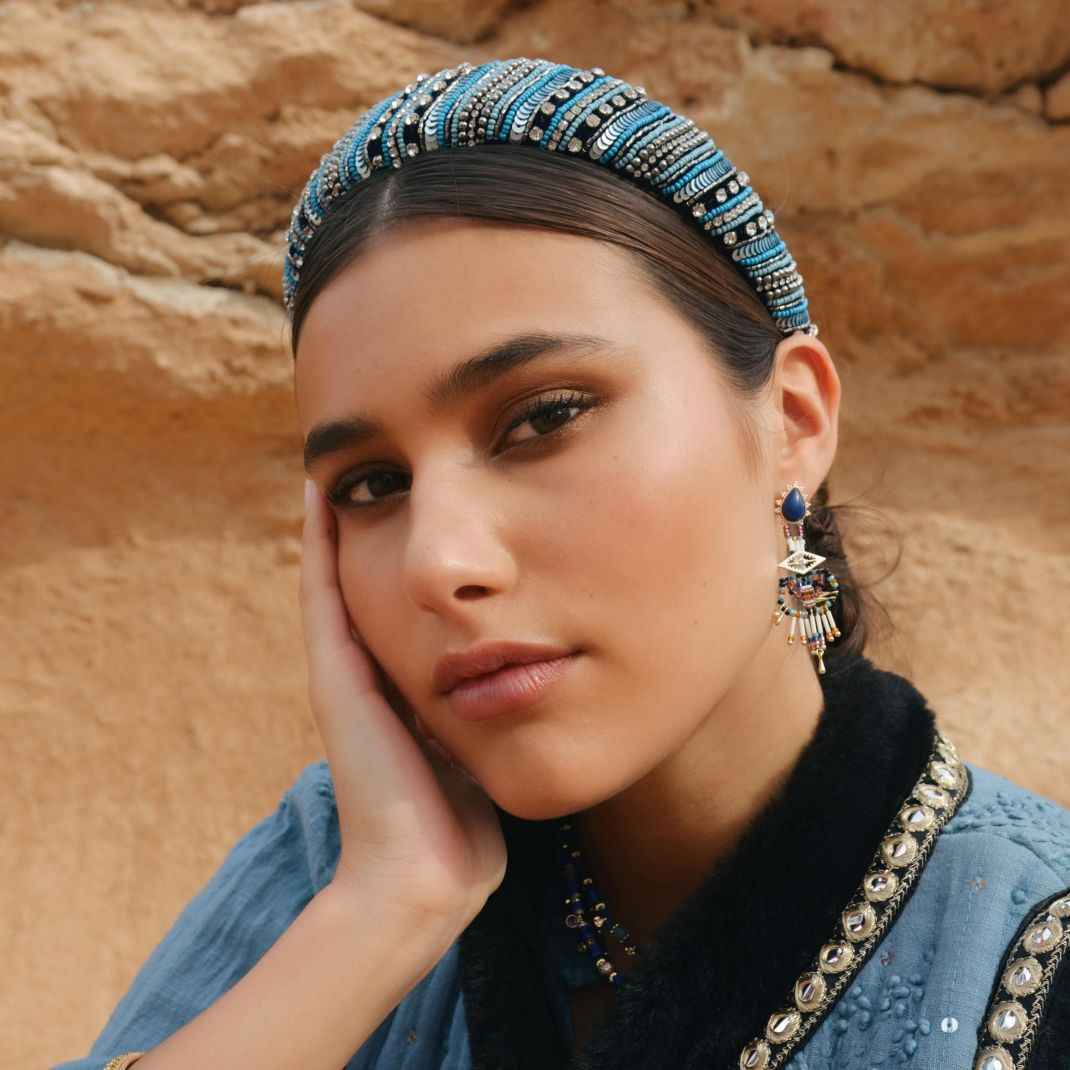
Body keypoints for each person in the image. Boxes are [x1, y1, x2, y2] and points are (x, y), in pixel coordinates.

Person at [55, 58, 1070, 1070]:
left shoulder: (1029, 949)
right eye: (370, 485)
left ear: (792, 420)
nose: (438, 562)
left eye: (543, 417)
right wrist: (380, 914)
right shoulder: (334, 866)